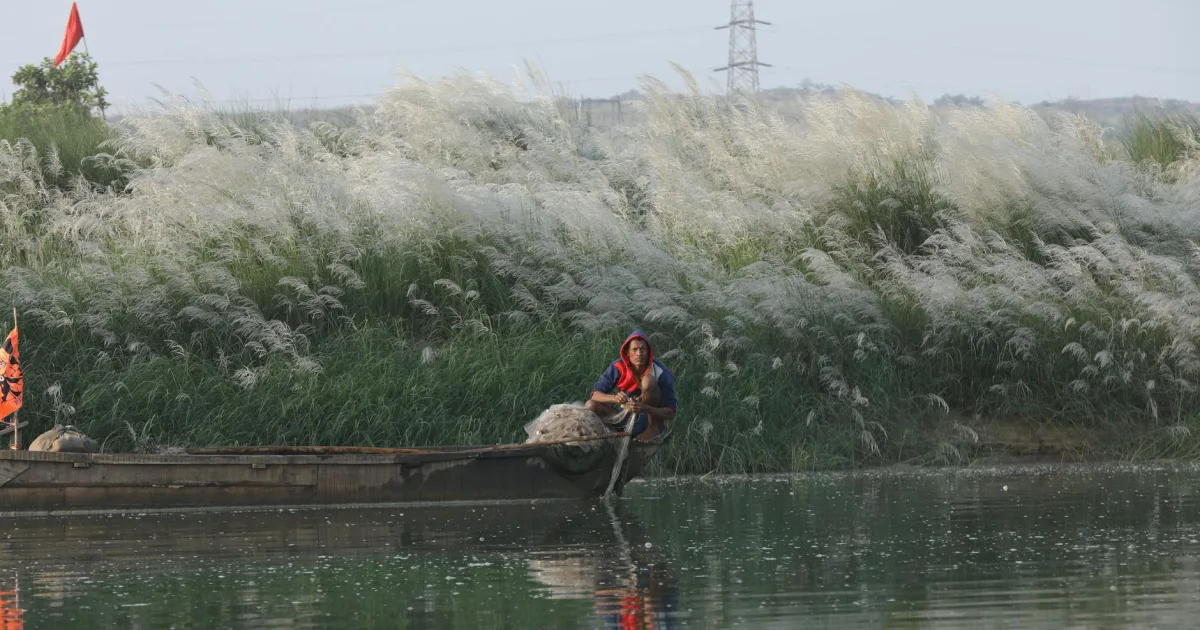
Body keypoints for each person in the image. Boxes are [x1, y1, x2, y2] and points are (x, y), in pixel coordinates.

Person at [587, 330, 677, 442]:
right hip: (624, 417)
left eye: (643, 349)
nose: (639, 354)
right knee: (590, 405)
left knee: (648, 380)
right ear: (627, 353)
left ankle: (653, 429)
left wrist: (645, 408)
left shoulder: (661, 371)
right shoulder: (618, 367)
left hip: (647, 419)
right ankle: (611, 433)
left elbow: (671, 412)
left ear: (649, 352)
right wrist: (615, 398)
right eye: (634, 349)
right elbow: (594, 395)